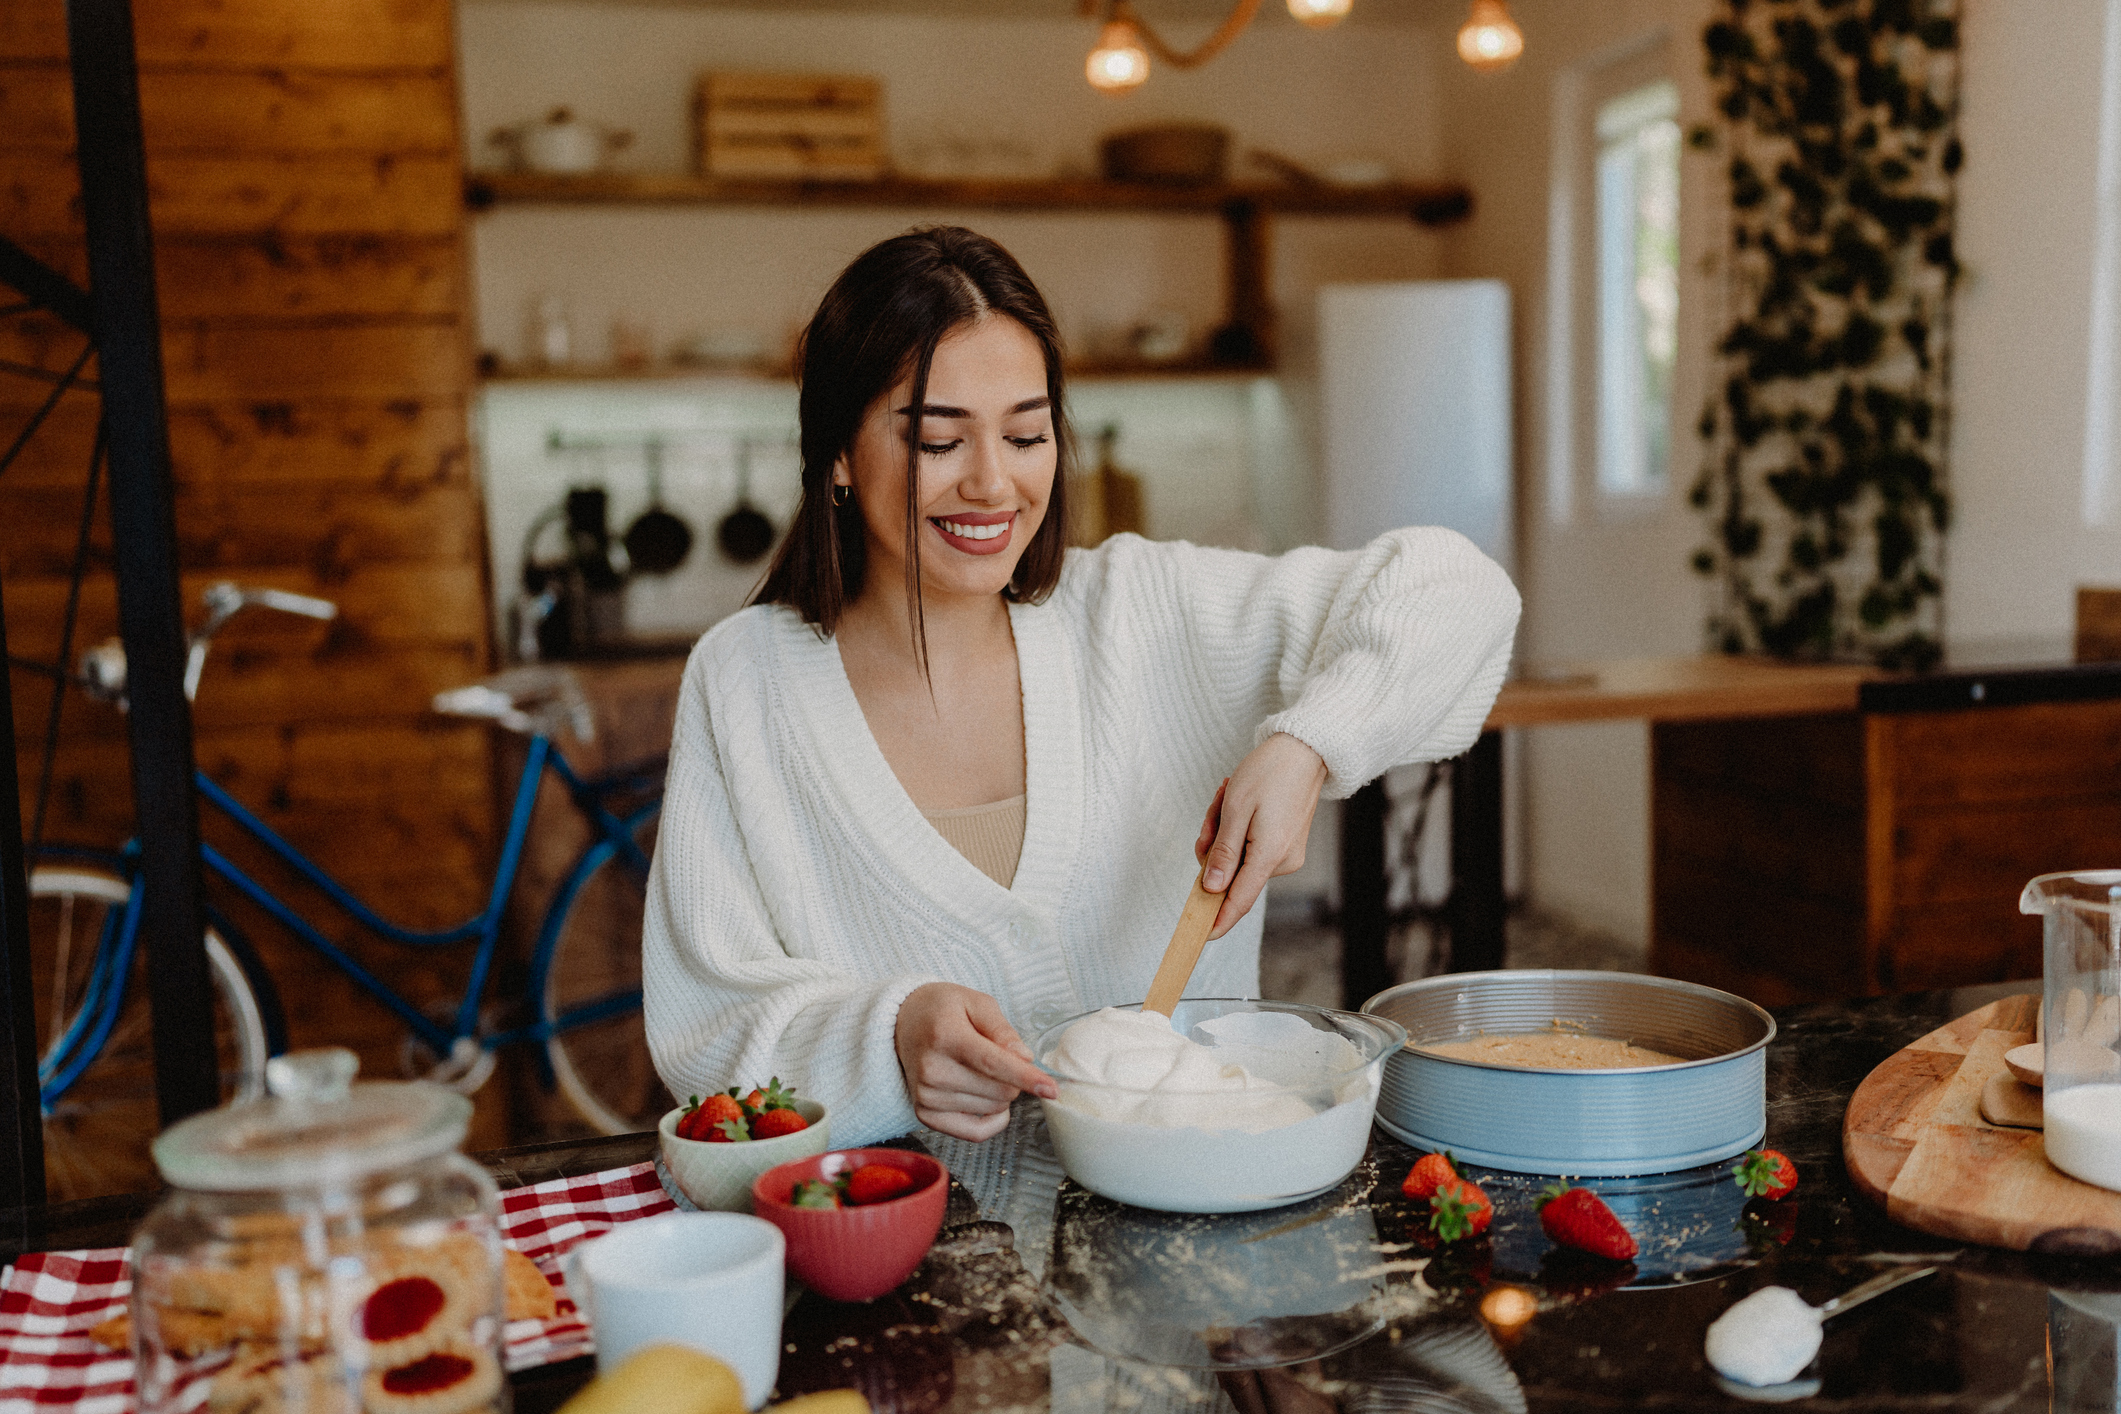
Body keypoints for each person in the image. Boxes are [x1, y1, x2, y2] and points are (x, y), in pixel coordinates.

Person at [642, 226, 1519, 1150]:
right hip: (906, 1247)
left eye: (1026, 434)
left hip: (1194, 1223)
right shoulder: (744, 681)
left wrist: (1310, 743)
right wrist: (888, 1035)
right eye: (941, 440)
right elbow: (710, 1035)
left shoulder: (1142, 612)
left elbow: (1457, 590)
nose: (993, 483)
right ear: (838, 456)